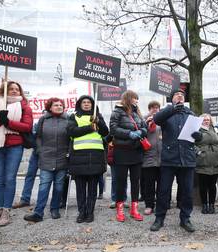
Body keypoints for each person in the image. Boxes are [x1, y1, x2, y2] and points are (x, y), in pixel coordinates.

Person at [150, 89, 201, 232]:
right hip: (169, 159)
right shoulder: (167, 113)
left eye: (182, 95)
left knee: (187, 192)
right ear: (171, 99)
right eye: (177, 95)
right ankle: (159, 219)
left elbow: (199, 136)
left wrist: (198, 136)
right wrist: (172, 109)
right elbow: (156, 119)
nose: (180, 96)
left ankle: (185, 219)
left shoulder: (190, 114)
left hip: (187, 159)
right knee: (164, 191)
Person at [0, 80, 33, 227]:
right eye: (10, 89)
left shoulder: (24, 106)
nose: (13, 91)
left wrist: (8, 122)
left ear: (20, 92)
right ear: (3, 90)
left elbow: (27, 126)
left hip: (14, 146)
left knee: (10, 178)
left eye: (16, 89)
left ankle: (6, 210)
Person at [24, 98, 70, 222]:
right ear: (50, 107)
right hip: (46, 158)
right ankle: (38, 213)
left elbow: (71, 138)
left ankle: (54, 209)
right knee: (44, 186)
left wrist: (69, 153)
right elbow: (38, 137)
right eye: (56, 105)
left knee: (59, 186)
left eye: (61, 105)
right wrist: (40, 151)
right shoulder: (43, 119)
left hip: (62, 158)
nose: (59, 106)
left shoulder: (68, 120)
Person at [68, 95, 108, 223]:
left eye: (89, 102)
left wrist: (99, 122)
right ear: (80, 104)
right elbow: (71, 131)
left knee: (92, 189)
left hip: (95, 156)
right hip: (78, 157)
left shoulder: (98, 117)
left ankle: (90, 212)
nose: (86, 104)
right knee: (80, 188)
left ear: (93, 105)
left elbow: (105, 132)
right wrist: (90, 127)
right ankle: (81, 212)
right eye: (84, 102)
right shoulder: (74, 116)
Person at [110, 90, 147, 222]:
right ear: (128, 98)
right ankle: (120, 209)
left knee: (135, 182)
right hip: (121, 151)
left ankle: (134, 209)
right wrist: (129, 134)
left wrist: (141, 132)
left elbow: (144, 128)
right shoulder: (117, 112)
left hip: (136, 151)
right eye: (134, 98)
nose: (137, 101)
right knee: (121, 182)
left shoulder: (137, 113)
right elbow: (113, 129)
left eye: (137, 99)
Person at [195, 114, 218, 214]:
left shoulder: (216, 130)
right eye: (204, 119)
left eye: (208, 119)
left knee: (212, 184)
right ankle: (204, 205)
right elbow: (191, 144)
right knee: (203, 185)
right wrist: (198, 152)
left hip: (215, 160)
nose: (206, 121)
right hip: (203, 160)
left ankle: (212, 205)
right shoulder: (197, 130)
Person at [142, 100, 162, 215]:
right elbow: (140, 134)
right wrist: (146, 124)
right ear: (149, 109)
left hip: (162, 158)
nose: (155, 109)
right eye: (152, 107)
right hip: (148, 157)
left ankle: (160, 204)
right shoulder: (144, 120)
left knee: (161, 184)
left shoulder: (163, 121)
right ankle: (149, 205)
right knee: (149, 184)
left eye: (157, 107)